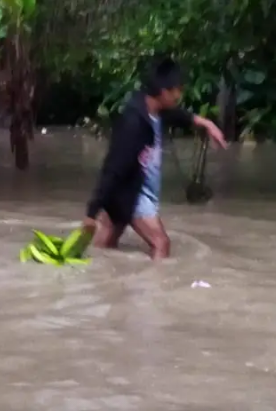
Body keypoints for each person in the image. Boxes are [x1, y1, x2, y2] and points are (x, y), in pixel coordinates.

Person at [81, 57, 228, 260]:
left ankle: (98, 280)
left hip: (130, 191)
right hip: (131, 193)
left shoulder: (157, 110)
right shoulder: (133, 123)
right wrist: (91, 212)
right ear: (163, 91)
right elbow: (112, 169)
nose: (180, 94)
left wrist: (207, 124)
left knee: (105, 246)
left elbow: (179, 115)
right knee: (161, 243)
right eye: (177, 89)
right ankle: (156, 288)